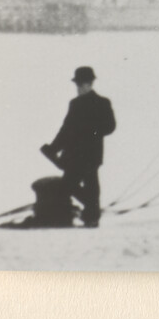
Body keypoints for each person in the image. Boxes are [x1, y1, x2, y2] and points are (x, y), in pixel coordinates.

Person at [41, 66, 116, 227]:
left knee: (89, 185)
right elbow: (65, 129)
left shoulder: (102, 103)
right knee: (69, 185)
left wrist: (91, 131)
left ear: (90, 84)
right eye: (78, 84)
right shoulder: (74, 104)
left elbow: (110, 126)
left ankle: (92, 216)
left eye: (82, 84)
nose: (79, 88)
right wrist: (53, 148)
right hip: (73, 154)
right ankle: (91, 213)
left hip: (91, 154)